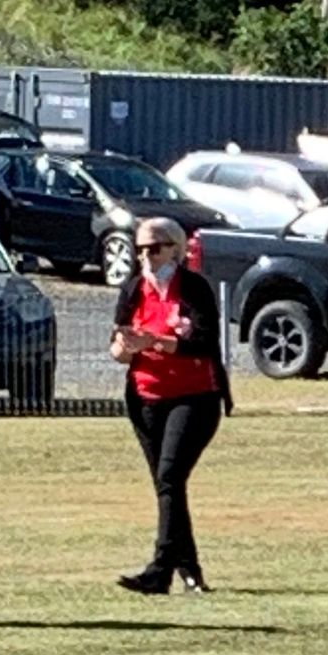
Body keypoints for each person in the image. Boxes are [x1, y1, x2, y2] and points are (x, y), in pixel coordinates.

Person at [109, 216, 230, 595]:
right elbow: (119, 344)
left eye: (155, 248)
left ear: (175, 249)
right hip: (145, 398)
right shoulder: (133, 289)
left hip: (194, 397)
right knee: (168, 487)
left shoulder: (193, 288)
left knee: (170, 478)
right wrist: (124, 349)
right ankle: (188, 571)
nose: (146, 256)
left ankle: (160, 568)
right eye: (140, 249)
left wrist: (156, 342)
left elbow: (205, 342)